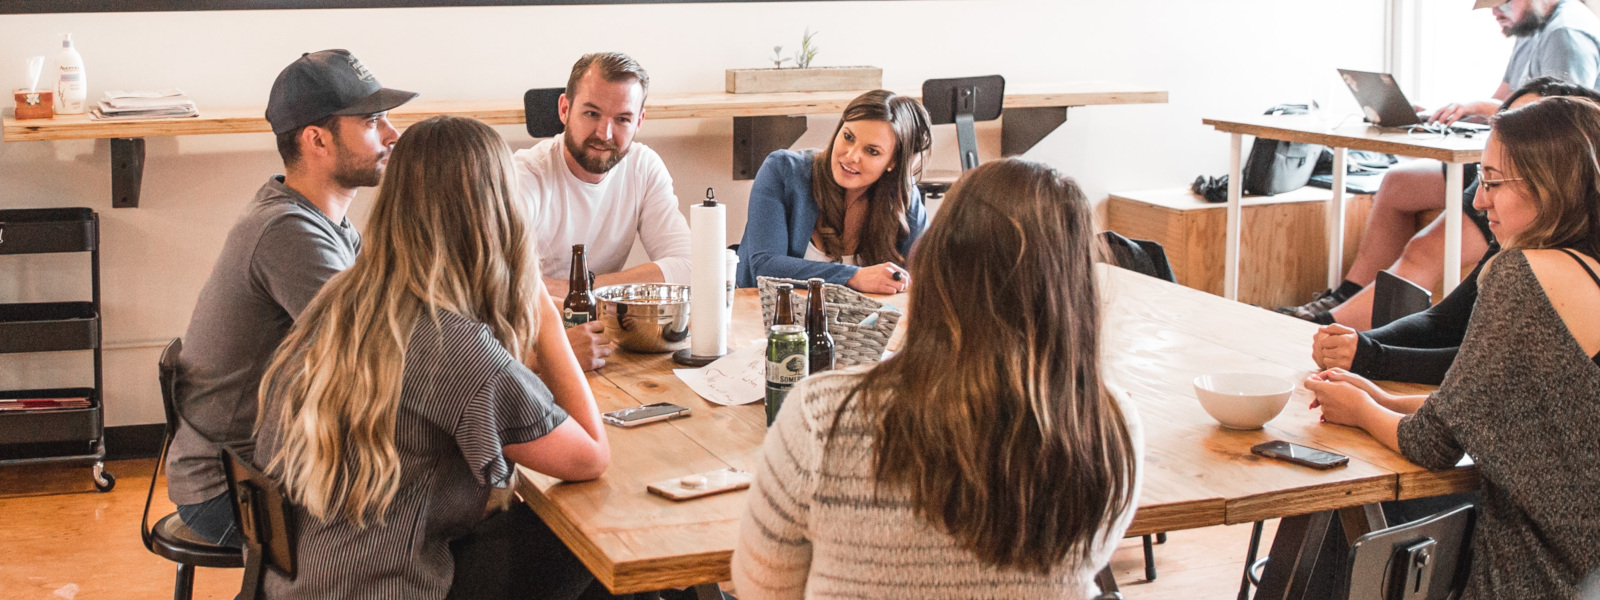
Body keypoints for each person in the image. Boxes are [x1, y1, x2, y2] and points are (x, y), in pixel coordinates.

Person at [733, 158, 1142, 599]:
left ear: (932, 262)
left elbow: (764, 587)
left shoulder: (822, 415)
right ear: (1078, 287)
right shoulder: (1109, 424)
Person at [255, 116, 611, 599]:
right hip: (386, 586)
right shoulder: (452, 346)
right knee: (590, 537)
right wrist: (545, 316)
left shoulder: (342, 300)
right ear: (497, 213)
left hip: (307, 579)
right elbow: (591, 454)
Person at [1306, 96, 1600, 598]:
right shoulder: (1585, 269)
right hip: (1585, 567)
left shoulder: (1524, 273)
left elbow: (1435, 443)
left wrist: (1358, 409)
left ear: (1549, 185)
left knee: (1339, 521)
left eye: (1490, 181)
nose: (1479, 202)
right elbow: (1495, 413)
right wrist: (1380, 398)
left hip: (1538, 574)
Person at [166, 49, 415, 546]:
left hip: (267, 471)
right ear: (317, 139)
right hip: (236, 493)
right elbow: (381, 356)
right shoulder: (288, 232)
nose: (392, 134)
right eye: (371, 120)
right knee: (442, 523)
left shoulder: (326, 223)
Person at [1279, 0, 1600, 326]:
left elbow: (1558, 126)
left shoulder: (1567, 33)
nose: (1494, 12)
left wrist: (1479, 107)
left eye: (1501, 3)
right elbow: (1506, 102)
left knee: (1424, 249)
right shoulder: (1530, 29)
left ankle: (1333, 325)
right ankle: (1349, 293)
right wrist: (1447, 114)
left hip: (1529, 175)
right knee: (1397, 185)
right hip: (1498, 160)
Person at [1311, 76, 1600, 385]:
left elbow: (1477, 377)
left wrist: (1368, 356)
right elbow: (1446, 322)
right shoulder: (1527, 236)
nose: (1478, 201)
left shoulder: (1540, 268)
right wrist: (1356, 342)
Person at [514, 52, 690, 371]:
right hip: (533, 347)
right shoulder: (525, 176)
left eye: (622, 119)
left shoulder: (644, 166)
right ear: (565, 109)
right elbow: (505, 287)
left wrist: (585, 293)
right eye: (592, 113)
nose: (604, 134)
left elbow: (688, 268)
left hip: (607, 346)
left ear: (639, 121)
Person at [735, 90, 932, 294]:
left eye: (872, 151)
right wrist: (853, 276)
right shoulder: (783, 170)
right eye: (848, 137)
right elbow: (765, 267)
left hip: (863, 325)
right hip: (766, 320)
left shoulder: (901, 195)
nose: (851, 156)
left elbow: (928, 273)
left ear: (893, 162)